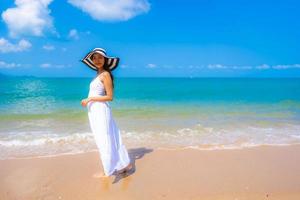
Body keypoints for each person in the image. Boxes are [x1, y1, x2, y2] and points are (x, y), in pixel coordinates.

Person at [80, 48, 133, 177]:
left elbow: (110, 97)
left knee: (105, 139)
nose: (97, 60)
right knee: (106, 137)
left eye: (100, 57)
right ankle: (123, 164)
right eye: (95, 58)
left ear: (105, 60)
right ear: (92, 60)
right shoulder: (98, 75)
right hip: (94, 112)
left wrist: (90, 98)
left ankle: (107, 170)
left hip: (101, 110)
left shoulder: (105, 74)